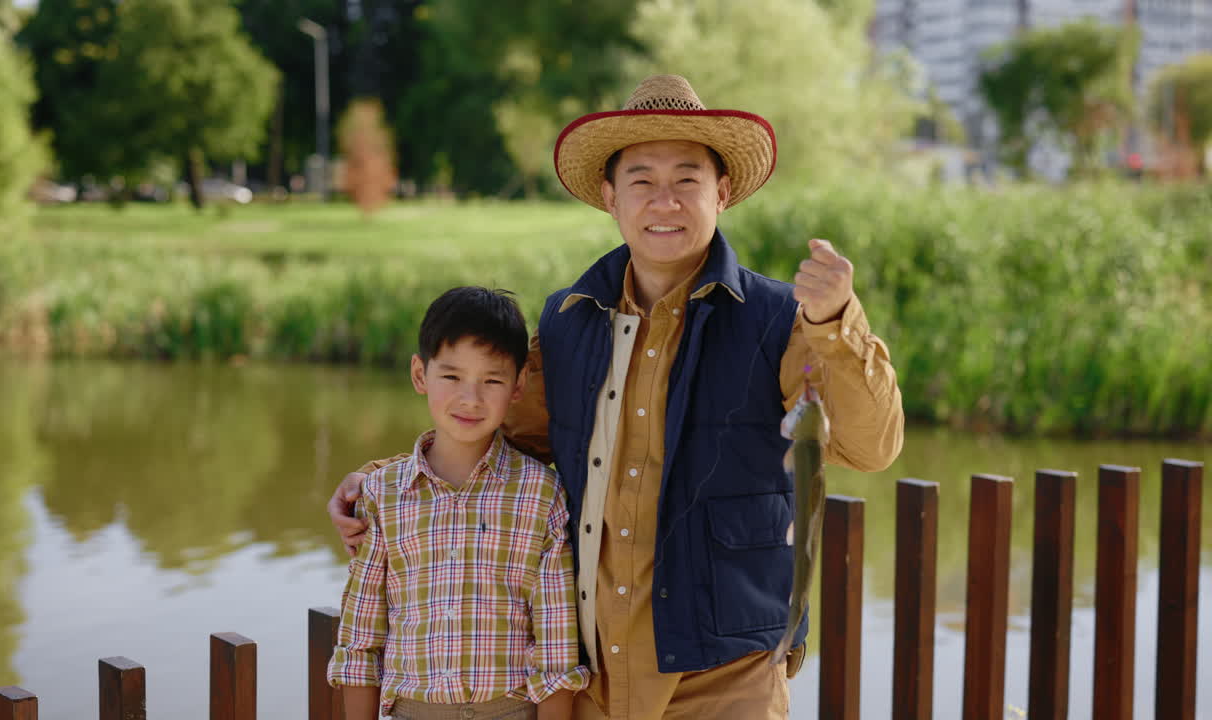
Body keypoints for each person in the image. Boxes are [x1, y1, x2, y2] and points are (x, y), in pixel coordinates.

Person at [329, 75, 904, 719]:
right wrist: (382, 481)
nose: (665, 200)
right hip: (598, 675)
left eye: (687, 179)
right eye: (641, 180)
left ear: (723, 192)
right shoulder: (569, 321)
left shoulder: (780, 319)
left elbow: (870, 446)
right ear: (610, 197)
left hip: (725, 681)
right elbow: (493, 434)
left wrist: (836, 322)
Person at [327, 286, 589, 720]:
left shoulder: (541, 494)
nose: (471, 398)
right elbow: (360, 641)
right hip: (413, 710)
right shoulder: (383, 495)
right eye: (451, 377)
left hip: (512, 710)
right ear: (419, 375)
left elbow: (556, 648)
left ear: (519, 384)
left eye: (492, 380)